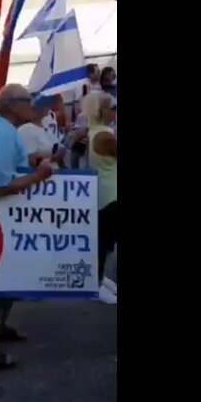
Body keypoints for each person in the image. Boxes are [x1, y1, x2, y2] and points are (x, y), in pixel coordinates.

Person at [0, 84, 54, 370]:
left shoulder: (0, 130)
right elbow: (1, 186)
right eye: (28, 101)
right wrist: (39, 176)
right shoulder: (3, 133)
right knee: (1, 282)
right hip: (0, 217)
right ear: (14, 106)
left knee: (5, 280)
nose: (32, 106)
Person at [82, 91, 118, 304]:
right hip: (111, 193)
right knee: (105, 241)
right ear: (101, 111)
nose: (114, 112)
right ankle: (95, 284)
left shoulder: (95, 132)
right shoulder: (105, 135)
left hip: (105, 191)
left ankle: (100, 278)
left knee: (105, 240)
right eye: (111, 108)